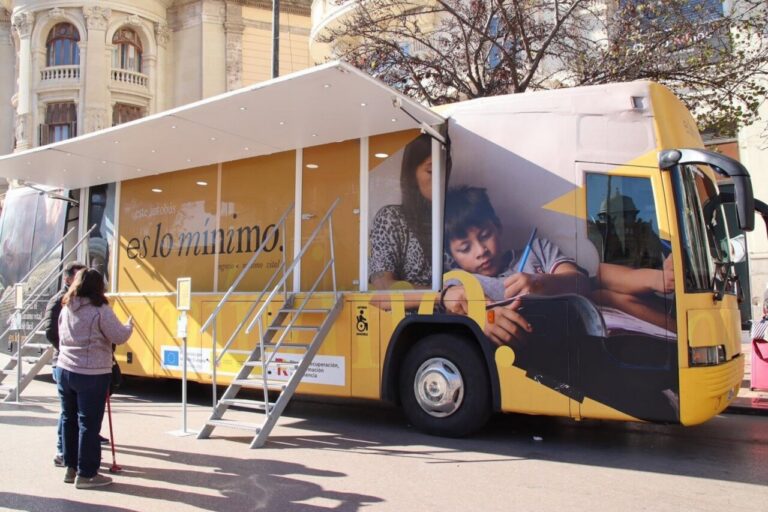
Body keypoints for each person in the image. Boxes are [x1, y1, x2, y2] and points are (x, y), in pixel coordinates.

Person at [439, 186, 588, 345]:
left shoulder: (538, 250)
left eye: (485, 235)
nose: (481, 251)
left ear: (498, 226)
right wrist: (483, 318)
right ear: (451, 255)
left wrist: (538, 282)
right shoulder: (457, 282)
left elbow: (583, 284)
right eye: (465, 248)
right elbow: (452, 315)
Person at [57, 268, 132, 489]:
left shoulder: (67, 306)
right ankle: (87, 474)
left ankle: (70, 468)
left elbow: (60, 334)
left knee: (69, 419)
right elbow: (119, 335)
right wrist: (129, 325)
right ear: (99, 287)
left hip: (64, 369)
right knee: (88, 424)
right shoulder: (101, 309)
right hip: (91, 373)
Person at [369, 133, 434, 290]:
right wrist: (442, 296)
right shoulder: (392, 219)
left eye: (445, 169)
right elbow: (383, 286)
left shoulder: (458, 215)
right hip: (412, 313)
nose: (440, 178)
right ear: (412, 174)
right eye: (431, 171)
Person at [43, 261, 87, 467]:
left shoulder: (79, 300)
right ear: (68, 278)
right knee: (67, 412)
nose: (81, 281)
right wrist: (65, 348)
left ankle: (73, 450)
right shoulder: (59, 300)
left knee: (74, 411)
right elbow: (50, 330)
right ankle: (62, 451)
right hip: (61, 362)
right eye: (78, 277)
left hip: (70, 362)